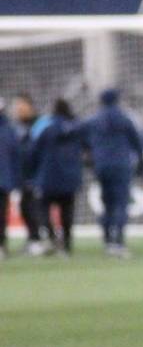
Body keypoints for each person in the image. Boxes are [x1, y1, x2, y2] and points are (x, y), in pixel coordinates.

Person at [85, 88, 143, 258]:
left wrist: (88, 156)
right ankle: (118, 241)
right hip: (121, 166)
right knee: (121, 203)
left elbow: (82, 137)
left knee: (107, 204)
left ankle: (107, 239)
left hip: (102, 166)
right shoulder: (124, 119)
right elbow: (138, 141)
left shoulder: (94, 120)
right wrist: (141, 163)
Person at [30, 99, 85, 256]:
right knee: (67, 212)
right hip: (70, 178)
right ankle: (67, 244)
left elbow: (34, 151)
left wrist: (33, 172)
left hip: (48, 177)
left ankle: (53, 237)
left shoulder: (45, 127)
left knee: (42, 209)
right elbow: (86, 148)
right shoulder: (76, 128)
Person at [13, 94, 49, 255]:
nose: (18, 110)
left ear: (30, 106)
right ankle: (35, 239)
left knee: (35, 208)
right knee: (25, 207)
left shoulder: (40, 125)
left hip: (39, 175)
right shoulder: (18, 127)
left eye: (21, 106)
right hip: (24, 175)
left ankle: (43, 240)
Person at [0, 99, 19, 260]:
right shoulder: (9, 130)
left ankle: (1, 245)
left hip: (3, 180)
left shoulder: (8, 130)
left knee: (1, 215)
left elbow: (15, 156)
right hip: (5, 179)